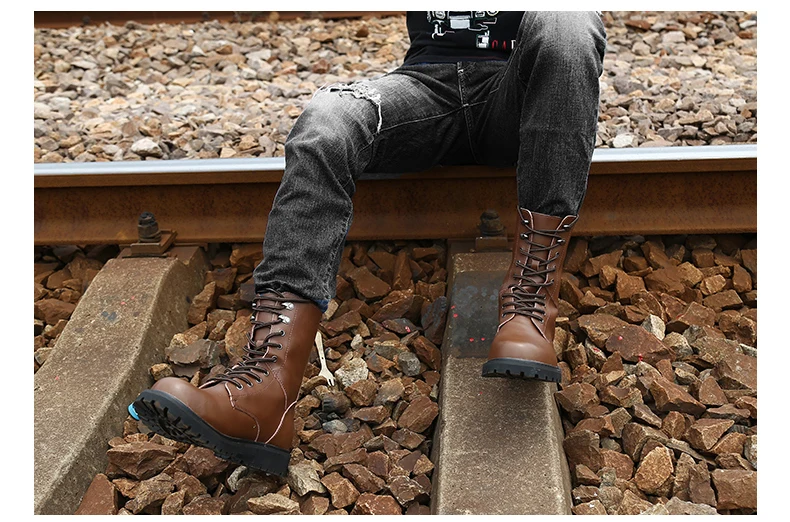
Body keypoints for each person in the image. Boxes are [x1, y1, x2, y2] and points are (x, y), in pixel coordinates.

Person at [130, 11, 607, 477]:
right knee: (327, 120)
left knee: (567, 21)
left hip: (522, 86)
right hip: (427, 84)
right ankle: (266, 389)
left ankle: (529, 304)